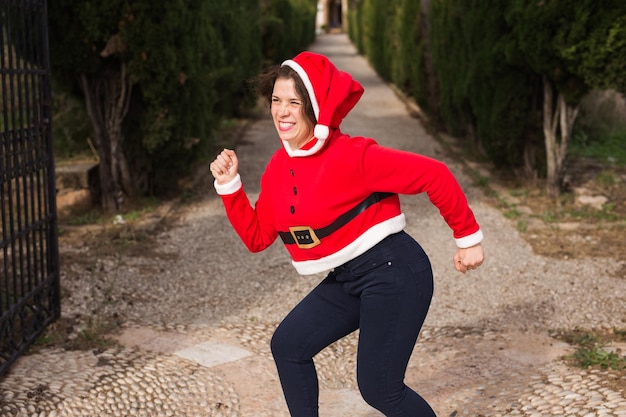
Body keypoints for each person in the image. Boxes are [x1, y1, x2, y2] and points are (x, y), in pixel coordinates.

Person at [210, 51, 485, 417]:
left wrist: (468, 238)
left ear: (317, 107)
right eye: (276, 101)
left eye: (295, 102)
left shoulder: (354, 156)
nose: (283, 111)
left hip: (395, 272)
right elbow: (257, 237)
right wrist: (230, 187)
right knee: (289, 345)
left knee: (380, 390)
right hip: (349, 276)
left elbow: (434, 175)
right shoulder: (278, 168)